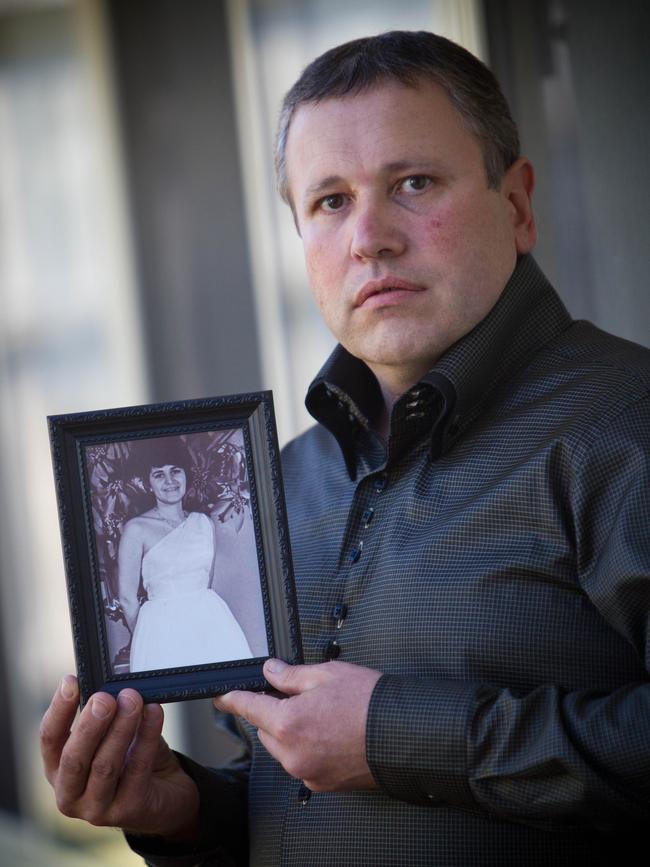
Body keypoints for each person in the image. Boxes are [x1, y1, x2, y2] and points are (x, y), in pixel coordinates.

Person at [40, 31, 650, 866]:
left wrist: (395, 735)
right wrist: (180, 811)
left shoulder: (627, 420)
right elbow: (283, 785)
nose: (370, 237)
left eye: (413, 182)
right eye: (329, 201)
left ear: (516, 204)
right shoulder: (281, 481)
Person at [119, 439, 252, 671]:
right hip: (161, 630)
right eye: (159, 475)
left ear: (186, 475)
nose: (170, 481)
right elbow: (127, 598)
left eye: (175, 471)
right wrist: (147, 636)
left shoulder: (204, 523)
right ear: (148, 483)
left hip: (210, 623)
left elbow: (206, 580)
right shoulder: (136, 528)